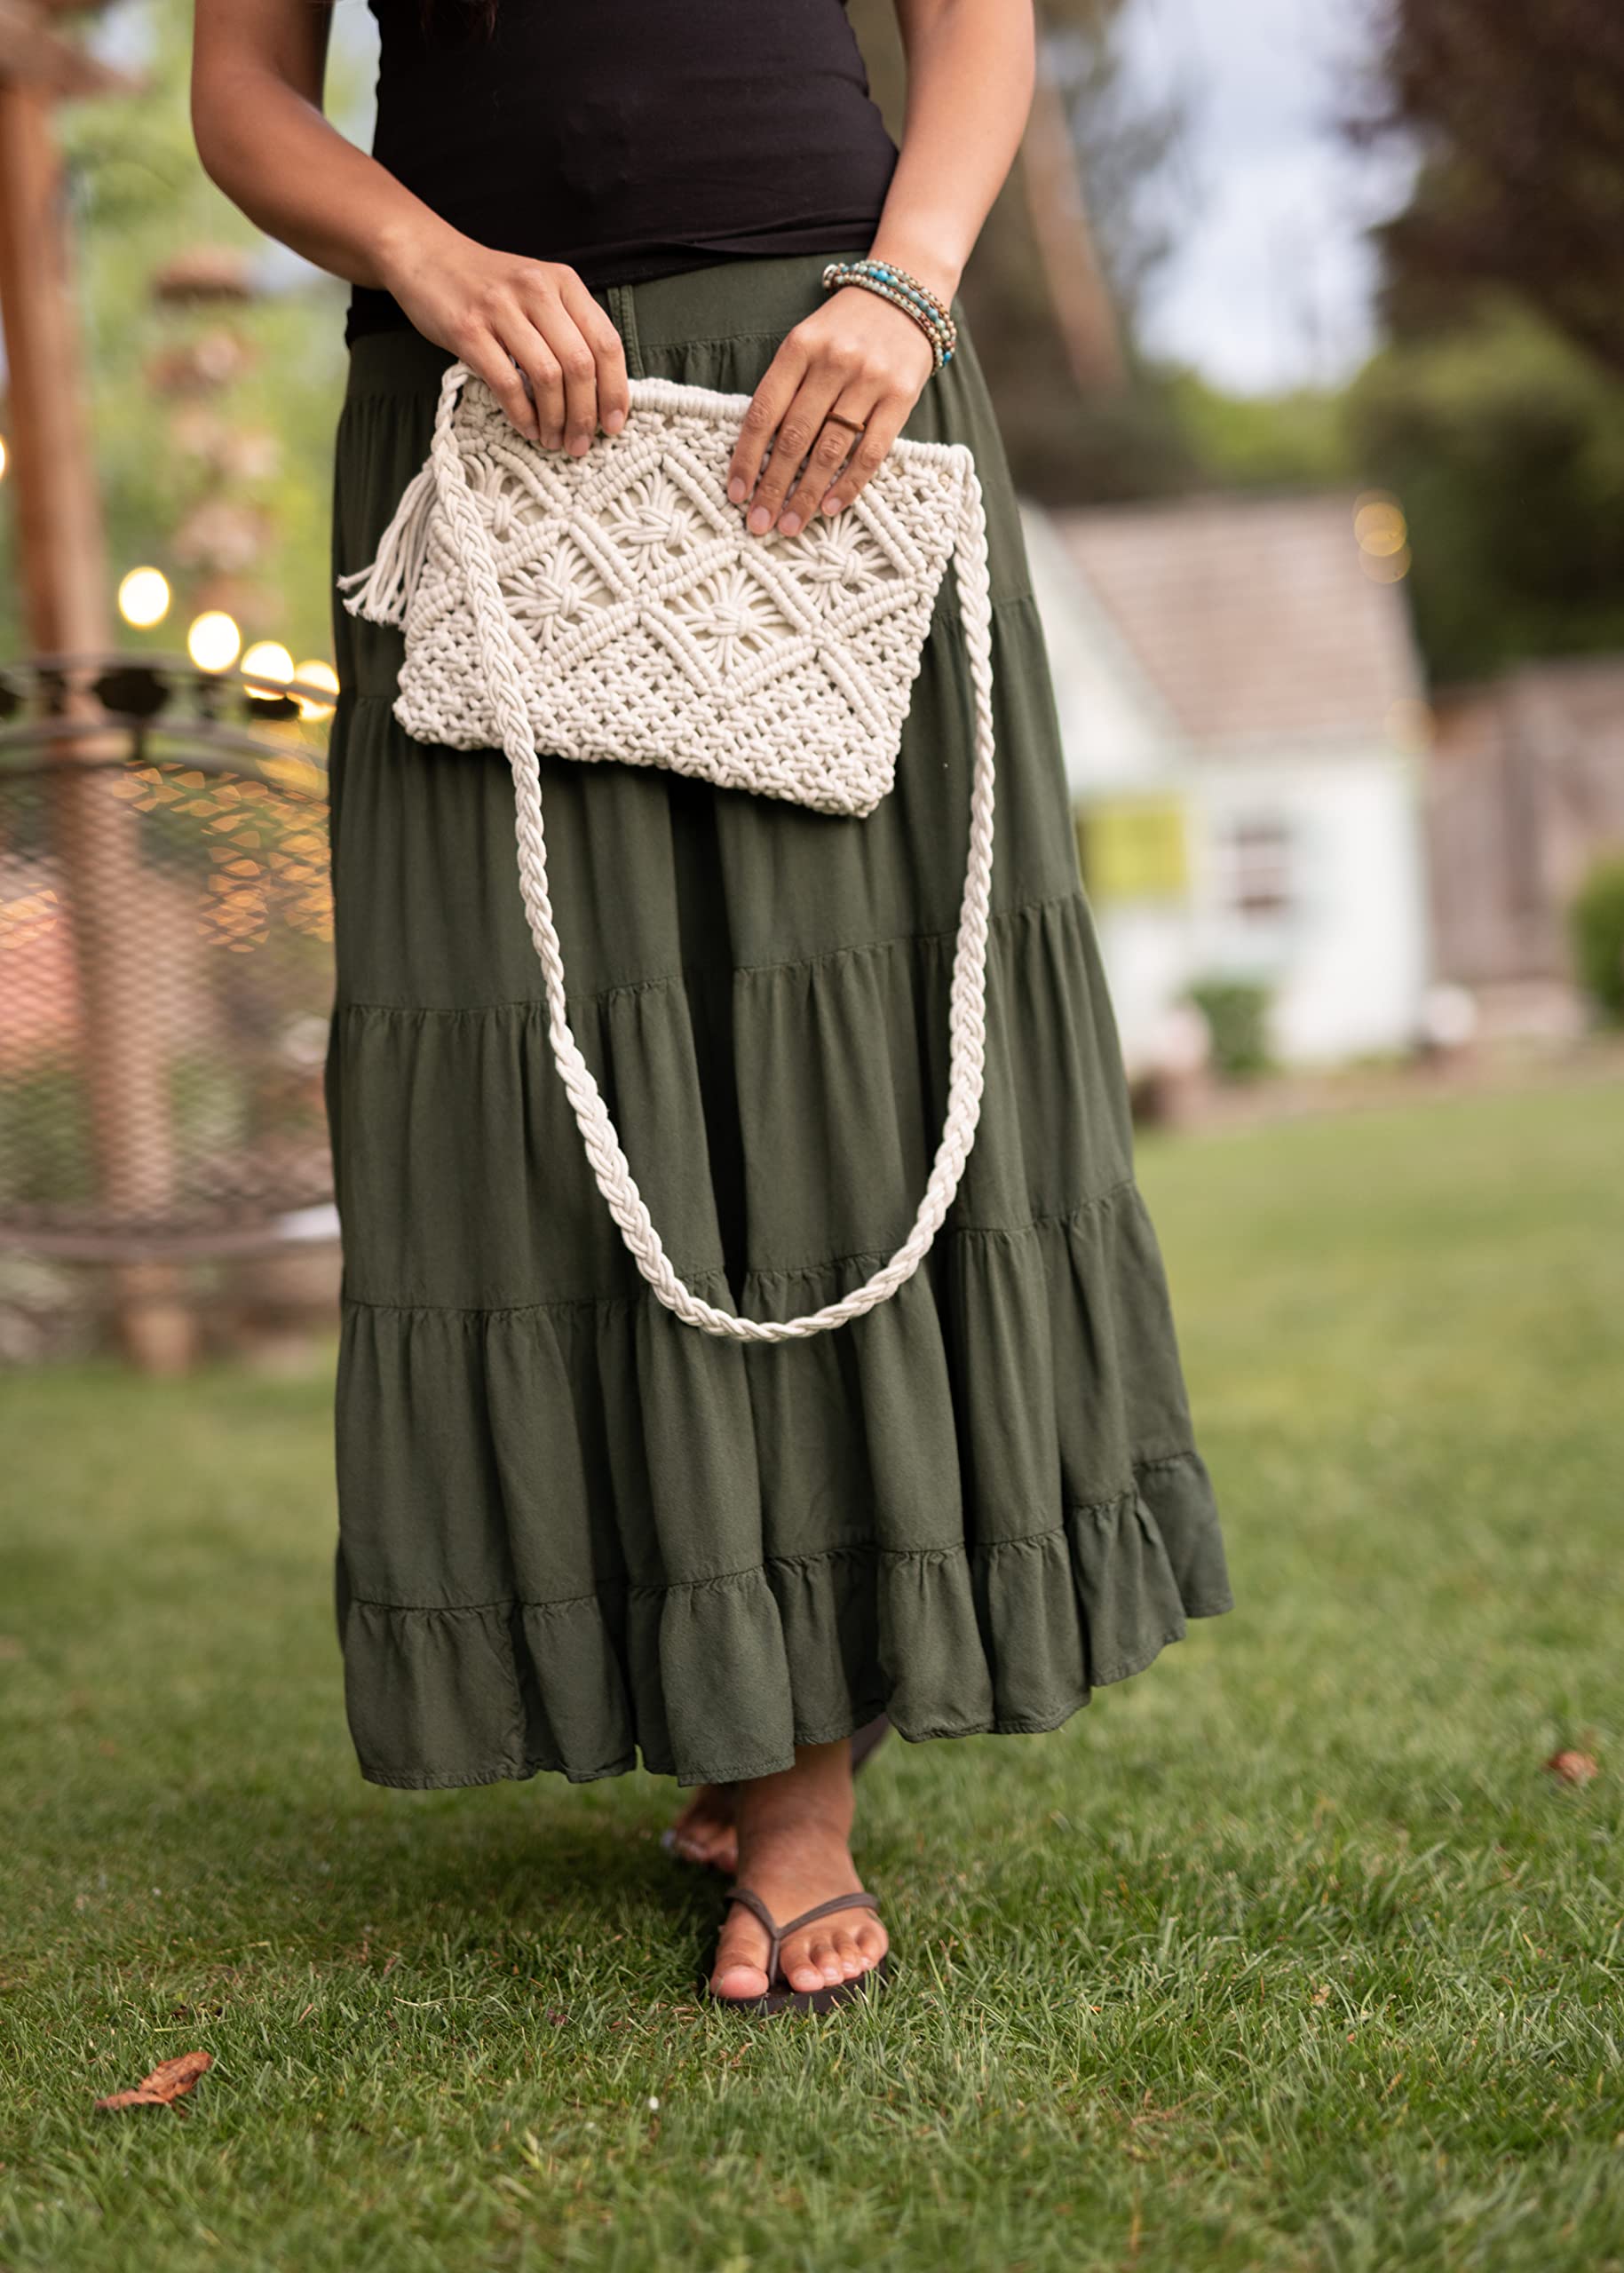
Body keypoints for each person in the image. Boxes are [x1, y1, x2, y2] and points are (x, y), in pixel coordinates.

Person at [191, 0, 1232, 2016]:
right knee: (544, 1074)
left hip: (824, 378)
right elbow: (240, 95)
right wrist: (418, 252)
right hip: (479, 398)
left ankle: (798, 1789)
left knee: (813, 1063)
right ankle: (725, 1677)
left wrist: (905, 293)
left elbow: (975, 25)